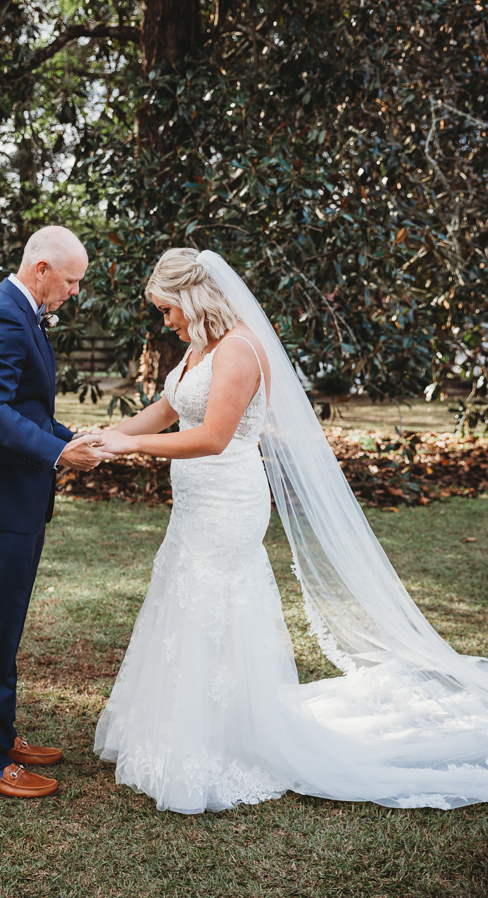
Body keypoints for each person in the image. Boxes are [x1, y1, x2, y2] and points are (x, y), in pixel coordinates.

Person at [94, 247, 488, 815]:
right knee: (183, 598)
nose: (166, 321)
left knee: (214, 602)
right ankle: (187, 727)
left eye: (166, 309)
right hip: (195, 504)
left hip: (229, 500)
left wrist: (132, 448)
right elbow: (164, 410)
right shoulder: (199, 347)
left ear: (191, 297)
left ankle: (227, 740)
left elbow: (213, 437)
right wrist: (106, 437)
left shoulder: (240, 350)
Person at [0, 226, 110, 798]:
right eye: (70, 281)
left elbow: (26, 407)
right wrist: (59, 453)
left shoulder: (21, 312)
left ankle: (1, 734)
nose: (73, 292)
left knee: (5, 623)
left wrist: (72, 436)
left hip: (16, 499)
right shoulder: (0, 317)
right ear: (41, 268)